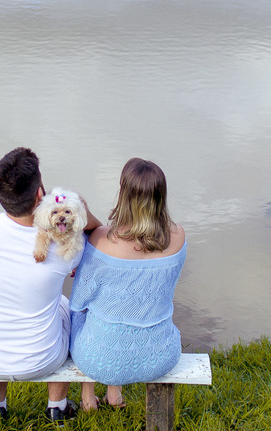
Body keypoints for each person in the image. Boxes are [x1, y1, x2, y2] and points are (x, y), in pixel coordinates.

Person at [0, 147, 101, 424]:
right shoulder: (68, 251)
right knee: (66, 307)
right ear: (40, 194)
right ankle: (56, 407)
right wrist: (81, 207)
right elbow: (93, 228)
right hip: (42, 358)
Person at [68, 157, 187, 412]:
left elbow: (80, 300)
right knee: (128, 305)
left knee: (78, 311)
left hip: (99, 360)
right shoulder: (178, 236)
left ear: (124, 194)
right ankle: (115, 394)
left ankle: (88, 396)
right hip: (160, 354)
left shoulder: (102, 239)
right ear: (160, 196)